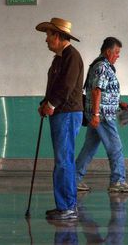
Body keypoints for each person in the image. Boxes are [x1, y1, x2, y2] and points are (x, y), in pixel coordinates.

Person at [35, 18, 84, 220]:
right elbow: (55, 87)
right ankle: (65, 205)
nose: (46, 39)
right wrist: (45, 102)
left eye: (48, 35)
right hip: (61, 113)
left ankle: (68, 207)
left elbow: (66, 87)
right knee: (63, 160)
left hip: (67, 113)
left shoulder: (72, 56)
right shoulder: (59, 58)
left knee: (63, 160)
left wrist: (51, 105)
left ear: (57, 36)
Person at [75, 37, 128, 193]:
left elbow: (104, 91)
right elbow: (96, 91)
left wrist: (118, 103)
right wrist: (96, 114)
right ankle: (117, 181)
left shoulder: (101, 65)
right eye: (116, 52)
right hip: (102, 116)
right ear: (108, 51)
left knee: (89, 148)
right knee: (115, 148)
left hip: (99, 115)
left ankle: (73, 179)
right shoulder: (102, 66)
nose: (118, 55)